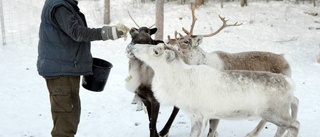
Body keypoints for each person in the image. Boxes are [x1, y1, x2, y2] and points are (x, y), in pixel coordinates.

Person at [37, 0, 129, 136]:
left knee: (70, 117)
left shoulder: (65, 5)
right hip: (61, 72)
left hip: (65, 69)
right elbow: (77, 33)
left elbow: (66, 38)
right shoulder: (59, 7)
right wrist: (107, 33)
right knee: (65, 122)